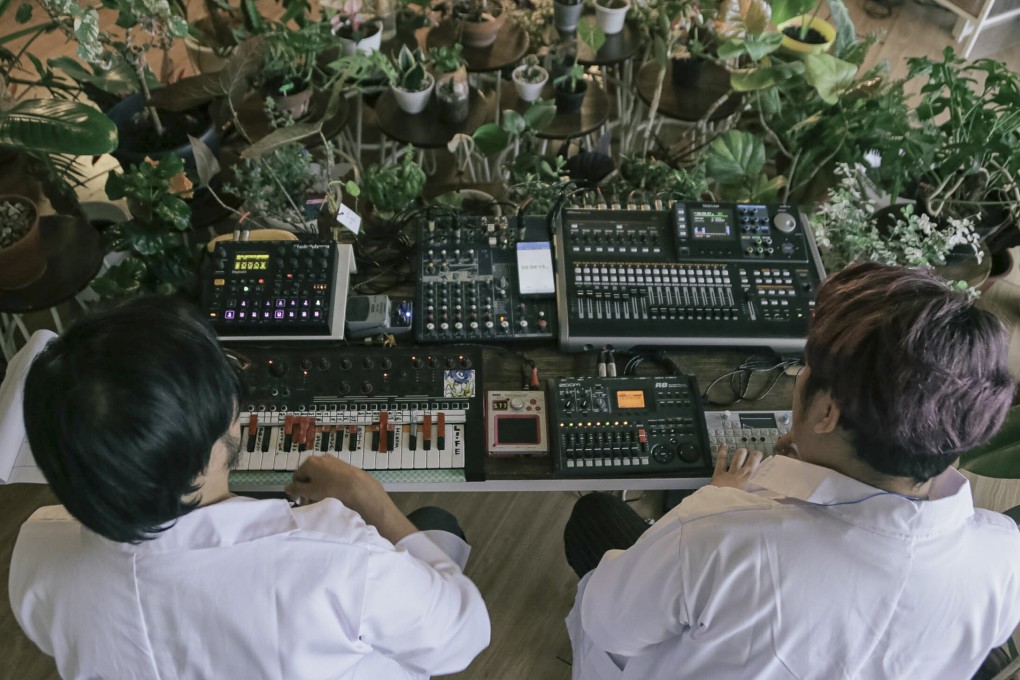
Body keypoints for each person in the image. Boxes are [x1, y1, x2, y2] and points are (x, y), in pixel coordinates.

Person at [563, 262, 1020, 680]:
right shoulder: (1005, 554)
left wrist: (716, 498)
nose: (801, 374)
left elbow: (607, 627)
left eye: (806, 365)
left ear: (826, 411)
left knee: (595, 518)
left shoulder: (713, 532)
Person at [9, 297, 490, 680]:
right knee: (438, 524)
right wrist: (375, 505)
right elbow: (464, 636)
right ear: (198, 453)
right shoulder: (342, 556)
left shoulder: (37, 559)